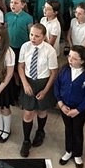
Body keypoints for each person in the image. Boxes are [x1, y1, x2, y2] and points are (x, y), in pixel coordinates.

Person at [17, 22, 58, 157]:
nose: (33, 38)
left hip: (43, 82)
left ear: (44, 36)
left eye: (37, 36)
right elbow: (21, 66)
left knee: (41, 110)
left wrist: (45, 90)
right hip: (28, 81)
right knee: (28, 113)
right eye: (31, 35)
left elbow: (53, 73)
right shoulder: (25, 47)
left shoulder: (49, 50)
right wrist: (25, 83)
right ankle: (26, 140)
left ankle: (40, 132)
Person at [55, 46, 85, 168]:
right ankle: (68, 151)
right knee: (68, 129)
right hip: (65, 107)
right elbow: (57, 86)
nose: (70, 60)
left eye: (74, 58)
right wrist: (61, 104)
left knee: (77, 130)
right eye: (69, 56)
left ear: (82, 61)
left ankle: (77, 154)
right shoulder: (64, 70)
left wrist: (78, 110)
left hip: (79, 110)